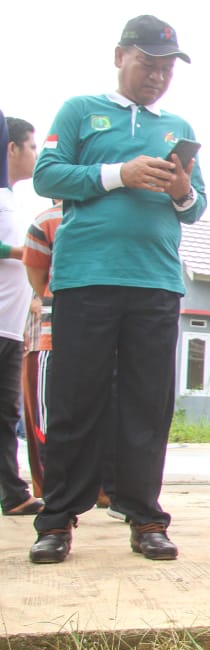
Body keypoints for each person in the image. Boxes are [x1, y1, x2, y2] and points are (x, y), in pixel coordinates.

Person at [30, 15, 206, 564]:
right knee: (74, 399)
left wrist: (180, 189)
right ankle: (57, 520)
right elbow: (47, 175)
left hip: (156, 282)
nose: (157, 76)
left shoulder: (176, 125)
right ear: (119, 56)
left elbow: (197, 205)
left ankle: (145, 515)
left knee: (146, 403)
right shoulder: (81, 111)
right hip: (86, 278)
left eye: (166, 68)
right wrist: (118, 174)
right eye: (148, 64)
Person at [0, 117, 41, 516]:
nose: (35, 153)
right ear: (10, 148)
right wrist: (22, 253)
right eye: (30, 146)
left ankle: (12, 494)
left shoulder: (11, 199)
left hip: (10, 329)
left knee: (6, 414)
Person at [21, 200, 61, 498]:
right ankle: (55, 498)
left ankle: (100, 489)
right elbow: (36, 275)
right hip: (50, 338)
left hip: (99, 339)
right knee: (49, 421)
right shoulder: (47, 221)